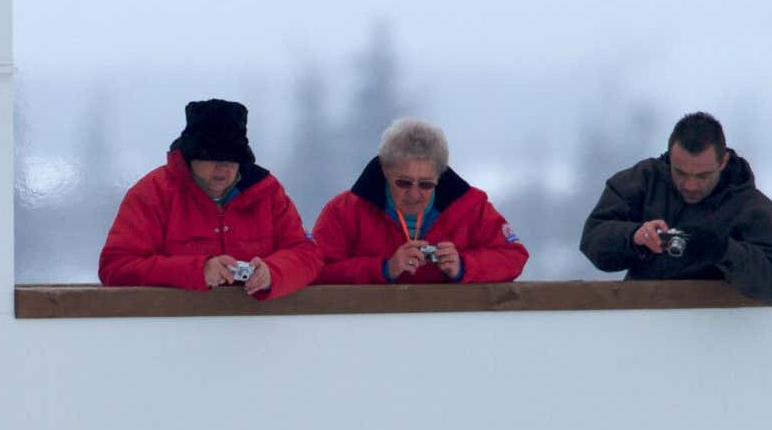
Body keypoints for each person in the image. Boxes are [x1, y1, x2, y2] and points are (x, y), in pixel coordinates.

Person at [99, 99, 321, 302]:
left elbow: (308, 255)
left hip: (257, 329)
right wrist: (198, 271)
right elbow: (115, 267)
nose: (223, 168)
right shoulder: (152, 194)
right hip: (173, 328)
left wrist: (272, 273)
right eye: (213, 158)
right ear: (191, 157)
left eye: (232, 160)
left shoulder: (268, 192)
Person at [581, 112, 772, 303]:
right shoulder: (642, 182)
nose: (690, 185)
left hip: (723, 332)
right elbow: (593, 238)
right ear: (670, 157)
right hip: (642, 325)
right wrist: (634, 237)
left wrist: (723, 251)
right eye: (680, 172)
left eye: (703, 176)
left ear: (723, 162)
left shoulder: (751, 208)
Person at [313, 119, 528, 286]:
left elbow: (514, 256)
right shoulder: (344, 211)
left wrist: (463, 265)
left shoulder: (472, 207)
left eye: (426, 184)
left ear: (439, 176)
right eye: (403, 183)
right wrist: (384, 268)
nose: (414, 194)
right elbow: (315, 269)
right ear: (385, 171)